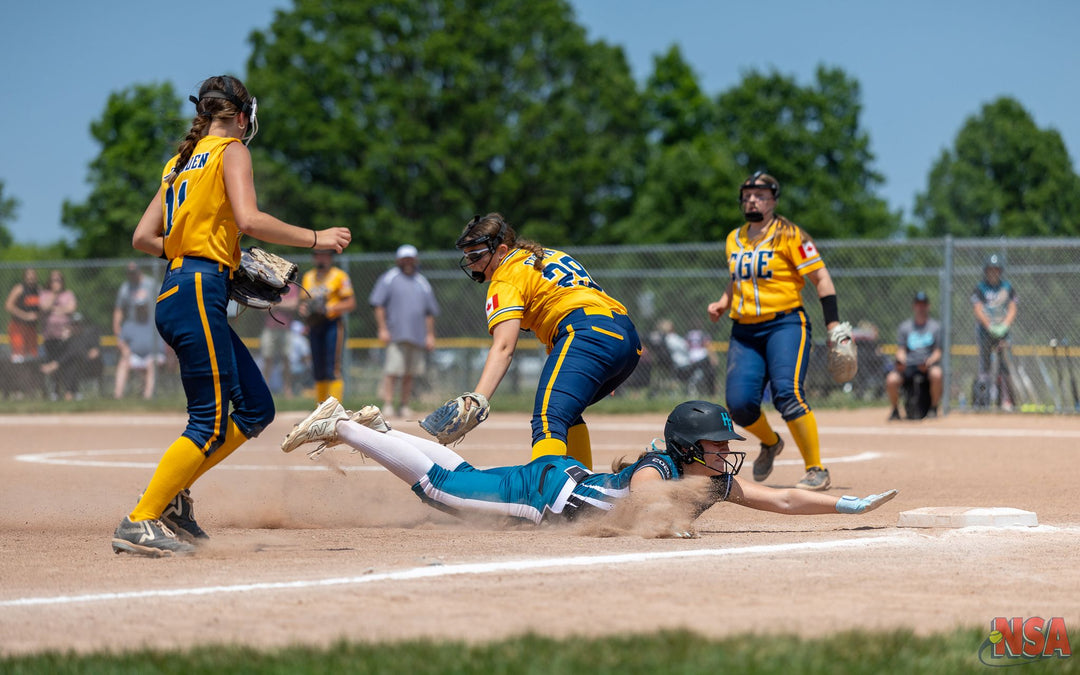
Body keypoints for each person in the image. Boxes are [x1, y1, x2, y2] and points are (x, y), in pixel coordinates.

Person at [112, 74, 352, 557]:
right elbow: (249, 220)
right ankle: (141, 518)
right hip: (198, 290)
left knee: (257, 407)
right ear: (243, 116)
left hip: (181, 289)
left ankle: (171, 499)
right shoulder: (231, 150)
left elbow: (143, 238)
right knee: (210, 419)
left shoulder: (178, 163)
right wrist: (315, 237)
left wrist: (204, 253)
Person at [281, 397, 897, 532]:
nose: (723, 452)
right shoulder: (663, 472)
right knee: (441, 490)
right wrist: (672, 523)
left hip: (556, 481)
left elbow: (783, 499)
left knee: (459, 475)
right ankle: (339, 427)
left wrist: (846, 504)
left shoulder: (706, 481)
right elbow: (647, 500)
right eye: (713, 445)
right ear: (687, 447)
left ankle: (377, 429)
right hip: (542, 496)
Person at [451, 213, 642, 469]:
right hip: (625, 338)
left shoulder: (506, 276)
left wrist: (477, 399)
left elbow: (504, 347)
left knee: (548, 420)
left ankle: (547, 497)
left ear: (502, 250)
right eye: (467, 256)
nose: (470, 262)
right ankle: (582, 493)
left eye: (476, 255)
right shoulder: (547, 255)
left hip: (587, 335)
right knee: (566, 415)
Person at [707, 172, 847, 491]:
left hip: (785, 324)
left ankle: (816, 470)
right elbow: (737, 279)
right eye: (748, 194)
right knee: (740, 404)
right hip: (744, 330)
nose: (752, 200)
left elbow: (822, 279)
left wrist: (834, 324)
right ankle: (771, 443)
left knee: (788, 394)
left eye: (761, 194)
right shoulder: (734, 239)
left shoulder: (791, 235)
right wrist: (723, 301)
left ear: (773, 200)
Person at [369, 244, 439, 417]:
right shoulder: (389, 278)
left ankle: (404, 405)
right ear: (399, 261)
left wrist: (430, 335)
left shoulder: (422, 281)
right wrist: (382, 328)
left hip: (417, 335)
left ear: (415, 261)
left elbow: (429, 312)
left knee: (410, 374)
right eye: (404, 260)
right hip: (396, 334)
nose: (408, 263)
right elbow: (378, 305)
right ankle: (388, 405)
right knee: (392, 371)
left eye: (411, 260)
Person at [299, 249, 357, 404]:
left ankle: (334, 408)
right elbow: (304, 302)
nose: (321, 258)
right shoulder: (308, 277)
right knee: (318, 367)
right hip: (314, 325)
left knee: (333, 366)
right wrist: (303, 309)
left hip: (332, 324)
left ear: (330, 258)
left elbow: (350, 303)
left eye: (325, 255)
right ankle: (321, 407)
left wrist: (330, 309)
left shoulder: (339, 276)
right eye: (318, 255)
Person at [886, 291, 943, 420]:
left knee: (937, 374)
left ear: (928, 306)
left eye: (923, 305)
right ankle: (895, 410)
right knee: (891, 379)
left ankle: (934, 408)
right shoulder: (905, 327)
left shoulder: (935, 327)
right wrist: (901, 361)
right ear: (914, 306)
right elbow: (901, 350)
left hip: (926, 365)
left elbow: (938, 351)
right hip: (909, 365)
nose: (920, 308)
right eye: (918, 304)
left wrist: (929, 361)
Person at [972, 254, 1018, 411]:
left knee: (1004, 366)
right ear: (986, 271)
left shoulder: (1007, 287)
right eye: (990, 269)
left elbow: (1012, 308)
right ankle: (983, 402)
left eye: (996, 269)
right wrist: (989, 325)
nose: (993, 272)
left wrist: (1004, 325)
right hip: (986, 332)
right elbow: (977, 309)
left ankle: (1005, 401)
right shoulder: (980, 288)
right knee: (984, 366)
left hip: (1003, 332)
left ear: (1000, 271)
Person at [112, 262, 162, 400]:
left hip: (151, 331)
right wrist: (118, 335)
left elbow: (165, 300)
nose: (132, 275)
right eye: (129, 272)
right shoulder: (125, 288)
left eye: (134, 272)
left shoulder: (151, 284)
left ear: (139, 271)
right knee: (124, 361)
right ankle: (118, 396)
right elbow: (118, 311)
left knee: (152, 362)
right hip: (134, 333)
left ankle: (148, 397)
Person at [39, 312, 103, 400]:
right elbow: (58, 353)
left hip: (88, 365)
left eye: (78, 324)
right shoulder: (69, 339)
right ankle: (71, 392)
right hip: (70, 365)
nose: (76, 326)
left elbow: (95, 353)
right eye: (74, 324)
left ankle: (55, 366)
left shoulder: (89, 335)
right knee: (72, 363)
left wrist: (93, 351)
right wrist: (64, 339)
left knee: (74, 352)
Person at [259, 284, 301, 395]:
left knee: (286, 359)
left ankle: (287, 389)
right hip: (270, 328)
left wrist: (275, 303)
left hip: (286, 328)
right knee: (267, 358)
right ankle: (265, 388)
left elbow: (294, 304)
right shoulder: (270, 285)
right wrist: (283, 303)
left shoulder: (292, 286)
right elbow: (262, 307)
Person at [5, 268, 41, 363]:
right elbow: (8, 306)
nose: (31, 278)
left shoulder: (38, 290)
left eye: (33, 276)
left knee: (32, 355)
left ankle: (29, 376)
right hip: (18, 327)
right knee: (18, 354)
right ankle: (16, 376)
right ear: (24, 277)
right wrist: (25, 315)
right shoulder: (19, 288)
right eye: (28, 276)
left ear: (36, 277)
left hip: (32, 327)